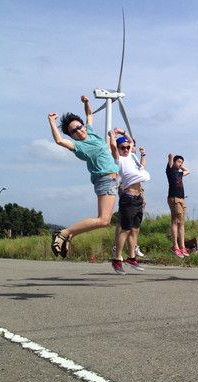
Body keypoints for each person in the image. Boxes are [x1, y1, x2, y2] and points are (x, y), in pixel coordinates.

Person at [47, 95, 119, 258]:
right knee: (103, 220)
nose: (78, 131)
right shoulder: (78, 146)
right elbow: (59, 141)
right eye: (73, 131)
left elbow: (89, 115)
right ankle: (63, 233)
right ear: (71, 136)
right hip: (105, 179)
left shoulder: (91, 133)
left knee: (104, 220)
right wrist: (52, 121)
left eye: (79, 127)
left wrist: (87, 103)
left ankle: (69, 235)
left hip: (112, 179)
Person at [109, 130, 150, 274]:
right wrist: (112, 136)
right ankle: (117, 260)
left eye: (127, 147)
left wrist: (123, 132)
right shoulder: (118, 159)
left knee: (135, 229)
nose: (126, 149)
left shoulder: (132, 156)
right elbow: (113, 147)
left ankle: (131, 258)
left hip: (138, 198)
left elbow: (131, 142)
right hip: (128, 198)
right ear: (118, 149)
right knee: (125, 230)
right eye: (123, 148)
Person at [166, 153, 190, 258]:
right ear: (174, 162)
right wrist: (172, 158)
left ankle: (182, 246)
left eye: (182, 162)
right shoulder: (170, 171)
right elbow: (170, 159)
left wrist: (181, 165)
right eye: (179, 162)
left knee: (181, 223)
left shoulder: (179, 174)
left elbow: (188, 171)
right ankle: (175, 246)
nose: (180, 164)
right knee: (175, 222)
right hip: (174, 198)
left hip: (182, 199)